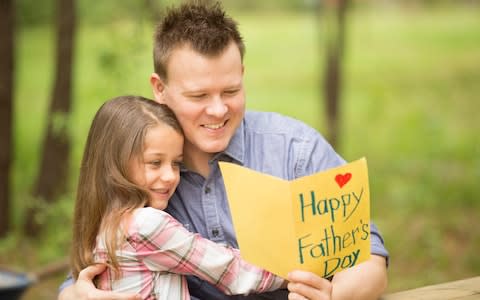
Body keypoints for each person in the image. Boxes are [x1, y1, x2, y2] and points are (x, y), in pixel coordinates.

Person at [59, 1, 388, 299]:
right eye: (199, 96)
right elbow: (87, 273)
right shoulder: (139, 168)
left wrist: (335, 295)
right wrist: (79, 296)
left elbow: (367, 257)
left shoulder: (294, 150)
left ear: (243, 75)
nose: (218, 110)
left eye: (230, 90)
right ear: (160, 88)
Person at [70, 95, 286, 299]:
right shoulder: (145, 225)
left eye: (176, 163)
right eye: (155, 163)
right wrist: (295, 271)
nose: (170, 176)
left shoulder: (105, 224)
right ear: (115, 163)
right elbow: (232, 272)